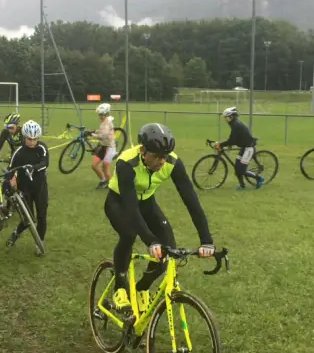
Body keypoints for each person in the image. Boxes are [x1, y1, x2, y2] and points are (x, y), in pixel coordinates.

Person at [104, 123, 216, 313]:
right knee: (129, 233)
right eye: (156, 156)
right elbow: (131, 208)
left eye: (164, 156)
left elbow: (192, 202)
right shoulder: (126, 163)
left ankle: (141, 288)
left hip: (147, 202)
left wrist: (206, 240)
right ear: (142, 150)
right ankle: (120, 287)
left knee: (168, 248)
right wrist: (150, 240)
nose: (162, 161)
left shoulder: (173, 163)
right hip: (120, 202)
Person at [5, 120, 50, 256]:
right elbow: (10, 171)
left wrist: (33, 168)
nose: (32, 142)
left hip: (40, 187)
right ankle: (16, 233)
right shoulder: (19, 152)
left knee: (42, 216)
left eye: (35, 139)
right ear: (24, 138)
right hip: (25, 189)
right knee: (28, 219)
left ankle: (39, 242)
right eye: (29, 139)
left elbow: (45, 163)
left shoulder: (42, 148)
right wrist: (9, 184)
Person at [216, 107, 265, 190]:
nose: (225, 119)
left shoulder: (236, 125)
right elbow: (232, 138)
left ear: (231, 117)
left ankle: (259, 178)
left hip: (249, 148)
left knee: (241, 170)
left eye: (226, 117)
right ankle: (242, 186)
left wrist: (221, 144)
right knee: (237, 168)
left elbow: (232, 140)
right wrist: (223, 144)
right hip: (244, 147)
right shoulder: (234, 124)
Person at [89, 103, 117, 189]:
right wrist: (94, 131)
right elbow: (102, 131)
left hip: (110, 148)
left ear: (106, 113)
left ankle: (112, 186)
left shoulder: (108, 122)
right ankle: (103, 180)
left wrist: (93, 135)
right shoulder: (103, 121)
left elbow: (103, 136)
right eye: (99, 114)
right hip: (103, 146)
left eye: (102, 114)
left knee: (105, 167)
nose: (100, 116)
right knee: (94, 165)